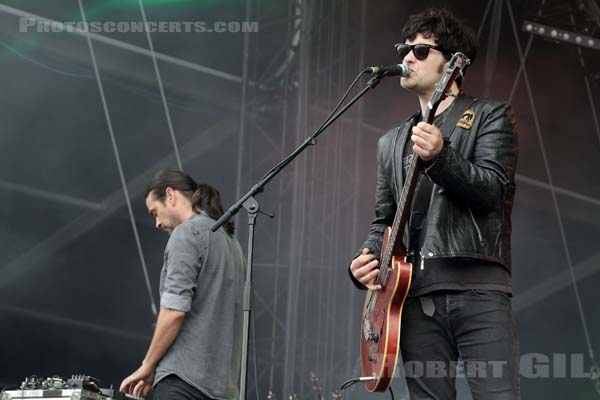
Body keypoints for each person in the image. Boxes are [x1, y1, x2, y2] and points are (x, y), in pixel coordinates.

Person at [349, 8, 520, 400]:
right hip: (413, 300)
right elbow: (384, 221)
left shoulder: (490, 116)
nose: (407, 58)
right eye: (405, 49)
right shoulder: (391, 141)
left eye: (421, 51)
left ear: (454, 64)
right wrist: (364, 259)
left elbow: (492, 191)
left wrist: (443, 157)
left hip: (478, 292)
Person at [120, 169, 245, 400]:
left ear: (170, 195)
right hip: (223, 388)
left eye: (155, 212)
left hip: (183, 383)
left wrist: (148, 365)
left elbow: (174, 311)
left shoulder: (186, 234)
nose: (157, 223)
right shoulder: (232, 243)